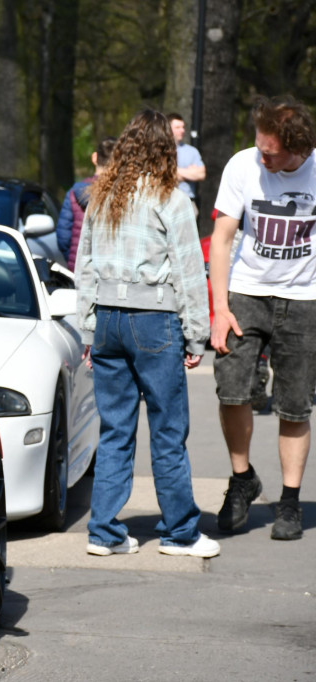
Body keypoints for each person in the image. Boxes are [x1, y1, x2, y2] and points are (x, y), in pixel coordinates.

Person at [76, 109, 217, 558]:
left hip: (109, 321)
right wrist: (197, 336)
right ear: (165, 151)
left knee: (115, 429)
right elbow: (190, 272)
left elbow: (85, 268)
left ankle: (104, 532)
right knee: (167, 429)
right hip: (154, 320)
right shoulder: (171, 199)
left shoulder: (101, 196)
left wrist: (87, 329)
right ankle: (180, 533)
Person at [209, 95, 316, 542]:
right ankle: (242, 479)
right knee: (232, 390)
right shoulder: (242, 166)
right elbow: (221, 239)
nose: (262, 155)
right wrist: (219, 309)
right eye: (259, 146)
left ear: (299, 149)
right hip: (247, 293)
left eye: (270, 151)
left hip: (304, 297)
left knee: (294, 404)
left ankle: (290, 502)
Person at [58, 137, 116, 270]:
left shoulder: (74, 192)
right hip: (109, 271)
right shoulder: (121, 195)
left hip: (79, 269)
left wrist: (73, 260)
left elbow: (63, 238)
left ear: (95, 157)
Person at [168, 112, 205, 215]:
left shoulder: (192, 151)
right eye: (178, 127)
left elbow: (201, 174)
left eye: (183, 127)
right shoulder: (161, 150)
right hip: (167, 201)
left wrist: (177, 172)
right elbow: (164, 175)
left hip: (189, 202)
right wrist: (189, 173)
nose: (182, 130)